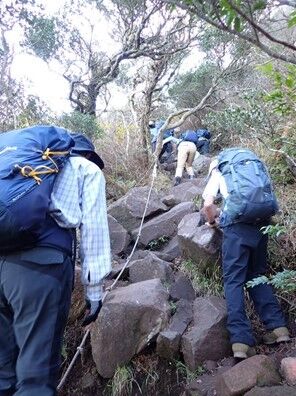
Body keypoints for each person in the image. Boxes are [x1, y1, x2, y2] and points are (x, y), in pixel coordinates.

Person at [0, 131, 111, 395]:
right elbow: (93, 229)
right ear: (85, 154)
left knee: (3, 373)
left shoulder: (16, 167)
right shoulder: (85, 169)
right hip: (39, 271)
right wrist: (94, 292)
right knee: (35, 379)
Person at [202, 150, 290, 359]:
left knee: (233, 281)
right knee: (258, 276)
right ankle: (278, 329)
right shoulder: (253, 163)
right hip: (261, 225)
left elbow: (208, 205)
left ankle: (241, 341)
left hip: (237, 228)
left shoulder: (219, 168)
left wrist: (213, 221)